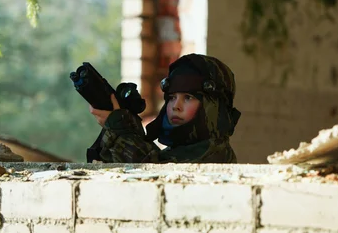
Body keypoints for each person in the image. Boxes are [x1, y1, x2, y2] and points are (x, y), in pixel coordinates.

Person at [89, 54, 241, 163]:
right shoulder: (179, 151)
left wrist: (119, 129)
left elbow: (151, 174)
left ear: (212, 107)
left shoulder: (214, 153)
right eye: (172, 97)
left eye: (188, 97)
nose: (176, 106)